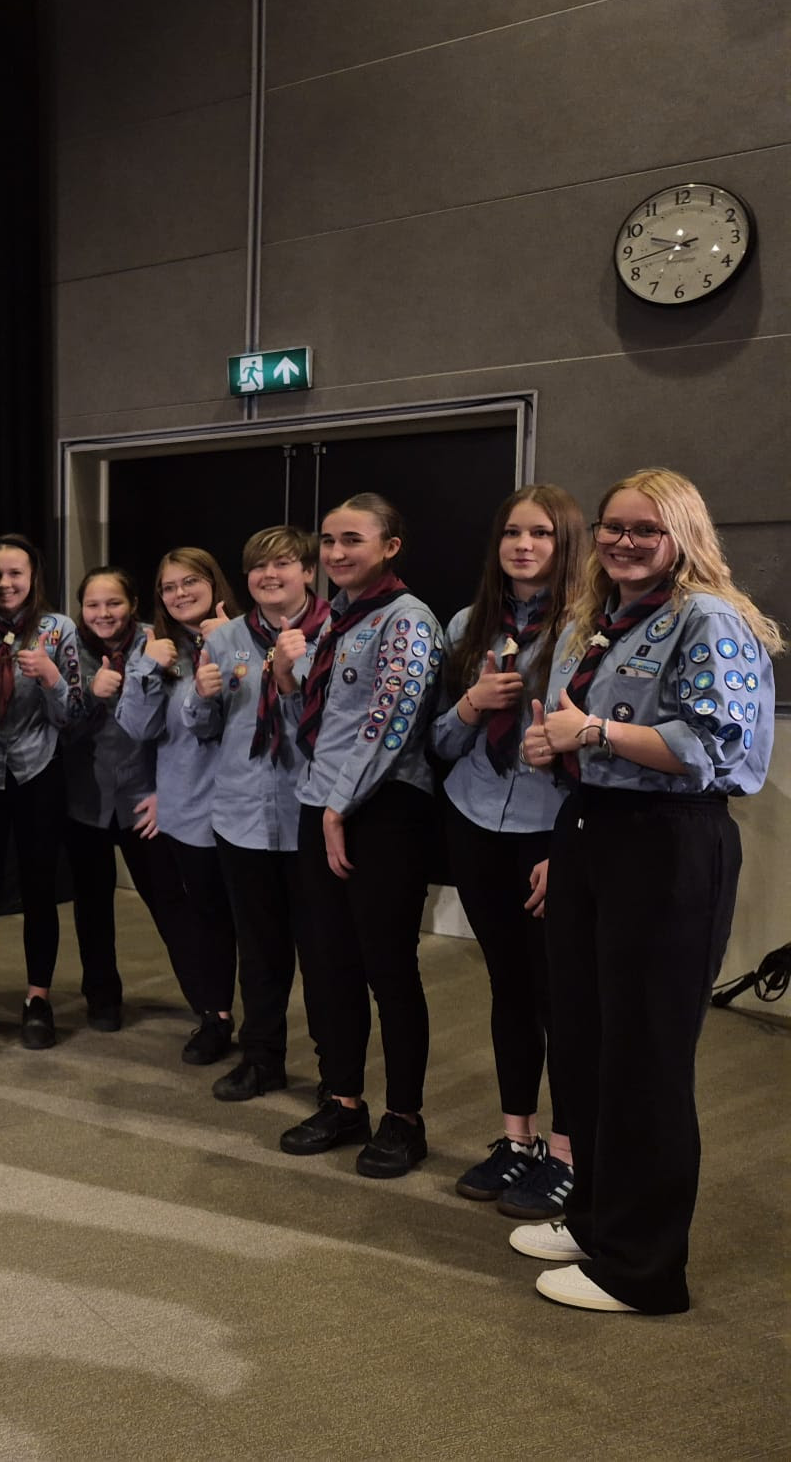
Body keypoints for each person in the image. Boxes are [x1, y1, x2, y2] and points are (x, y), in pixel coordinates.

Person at [514, 468, 776, 1315]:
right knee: (586, 1043)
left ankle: (644, 1269)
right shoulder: (602, 617)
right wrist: (557, 755)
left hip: (668, 844)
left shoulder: (708, 618)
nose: (625, 542)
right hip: (594, 831)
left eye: (646, 529)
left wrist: (592, 731)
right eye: (613, 527)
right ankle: (597, 1221)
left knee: (645, 1056)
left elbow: (718, 749)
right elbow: (575, 731)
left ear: (682, 536)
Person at [278, 493, 444, 1178]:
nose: (336, 552)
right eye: (328, 541)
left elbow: (393, 718)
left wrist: (341, 804)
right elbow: (322, 716)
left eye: (353, 539)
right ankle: (343, 1098)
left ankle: (404, 1119)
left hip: (381, 811)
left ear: (390, 546)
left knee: (388, 968)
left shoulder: (408, 620)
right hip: (321, 804)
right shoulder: (335, 620)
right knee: (328, 964)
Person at [432, 487, 585, 1216]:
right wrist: (471, 706)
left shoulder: (591, 630)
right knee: (508, 989)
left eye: (542, 534)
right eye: (513, 533)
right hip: (475, 821)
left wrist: (572, 836)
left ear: (567, 542)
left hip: (550, 831)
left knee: (561, 997)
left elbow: (602, 753)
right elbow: (438, 742)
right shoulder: (469, 625)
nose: (524, 546)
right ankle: (516, 1139)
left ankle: (567, 1153)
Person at [179, 526, 330, 1101]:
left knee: (322, 954)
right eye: (259, 567)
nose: (270, 576)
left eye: (283, 564)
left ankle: (334, 1074)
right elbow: (205, 729)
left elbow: (334, 729)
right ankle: (262, 1058)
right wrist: (200, 695)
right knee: (259, 951)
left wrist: (290, 681)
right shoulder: (224, 639)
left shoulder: (335, 633)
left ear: (308, 572)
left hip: (309, 816)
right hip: (241, 817)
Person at [0, 534, 83, 1048]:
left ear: (33, 577)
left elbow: (72, 716)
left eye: (15, 573)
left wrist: (52, 678)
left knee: (38, 888)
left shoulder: (58, 629)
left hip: (37, 770)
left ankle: (37, 999)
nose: (5, 583)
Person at [120, 548, 241, 1065]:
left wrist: (229, 649)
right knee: (205, 919)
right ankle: (215, 1016)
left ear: (214, 582)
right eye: (168, 587)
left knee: (256, 926)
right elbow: (136, 727)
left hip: (247, 808)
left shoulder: (245, 635)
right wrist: (149, 667)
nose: (180, 593)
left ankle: (265, 1035)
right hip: (189, 809)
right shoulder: (154, 648)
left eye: (190, 581)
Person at [59, 566, 192, 1033]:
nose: (103, 613)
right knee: (92, 906)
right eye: (92, 605)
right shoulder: (67, 650)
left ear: (133, 604)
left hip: (145, 800)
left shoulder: (161, 644)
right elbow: (55, 730)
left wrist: (166, 792)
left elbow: (180, 727)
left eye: (113, 603)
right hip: (85, 800)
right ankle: (101, 997)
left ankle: (207, 1002)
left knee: (170, 902)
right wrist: (91, 697)